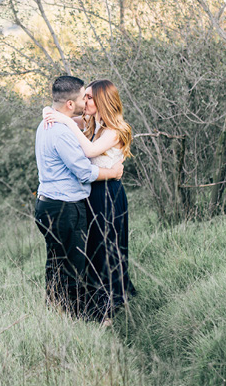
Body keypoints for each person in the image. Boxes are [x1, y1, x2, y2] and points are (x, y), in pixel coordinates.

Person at [44, 79, 136, 322]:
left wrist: (65, 121)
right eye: (85, 97)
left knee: (107, 248)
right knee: (92, 249)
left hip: (108, 194)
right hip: (90, 194)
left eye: (90, 98)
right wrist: (53, 114)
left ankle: (111, 303)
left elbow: (89, 152)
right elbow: (54, 109)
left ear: (103, 101)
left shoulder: (116, 130)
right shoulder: (89, 123)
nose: (85, 102)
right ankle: (94, 303)